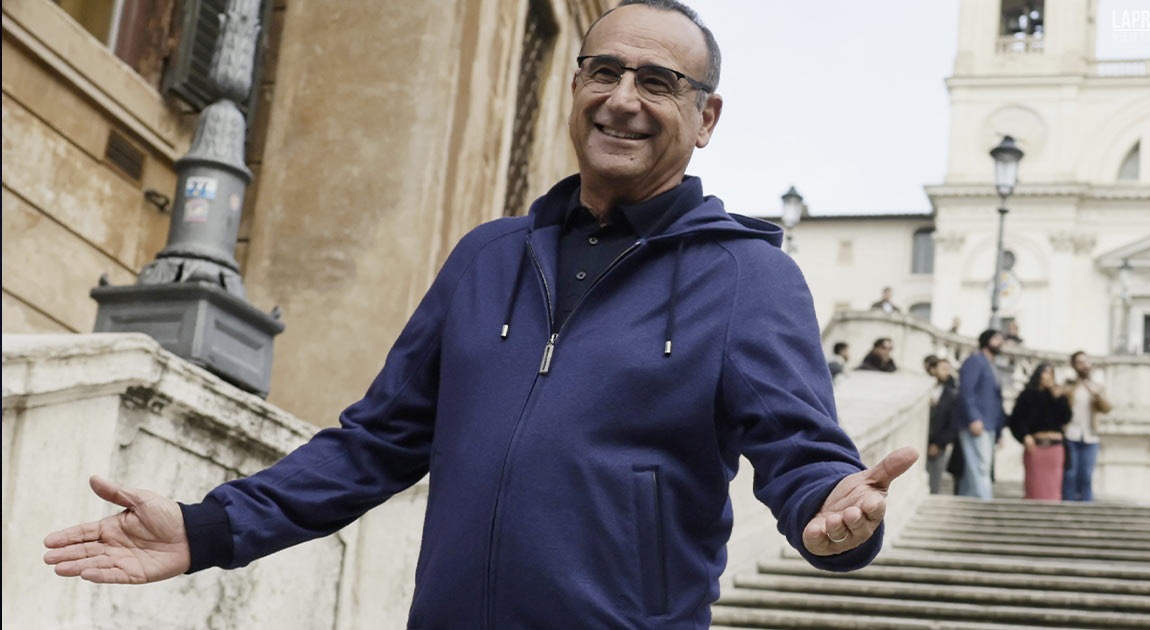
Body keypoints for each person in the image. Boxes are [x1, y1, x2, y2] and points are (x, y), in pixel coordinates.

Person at [42, 2, 918, 627]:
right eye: (604, 71)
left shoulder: (749, 277)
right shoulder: (489, 257)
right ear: (575, 87)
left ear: (705, 117)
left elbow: (805, 459)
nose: (623, 98)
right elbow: (374, 444)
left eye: (658, 81)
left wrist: (833, 516)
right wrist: (206, 528)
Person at [953, 330, 1006, 500]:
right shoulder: (975, 361)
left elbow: (997, 401)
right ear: (986, 340)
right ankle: (985, 503)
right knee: (981, 467)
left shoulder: (993, 366)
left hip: (990, 424)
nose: (1000, 342)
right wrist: (974, 417)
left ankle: (966, 502)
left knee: (976, 468)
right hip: (976, 423)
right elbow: (966, 391)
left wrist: (999, 431)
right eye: (996, 338)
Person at [1009, 363, 1071, 500]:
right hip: (1036, 446)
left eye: (1051, 373)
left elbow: (1066, 418)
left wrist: (1059, 398)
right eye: (1046, 372)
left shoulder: (1057, 396)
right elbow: (1016, 420)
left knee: (1053, 486)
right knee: (1035, 485)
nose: (1049, 377)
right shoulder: (1027, 395)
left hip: (1055, 447)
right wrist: (1024, 436)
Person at [1062, 351, 1111, 502]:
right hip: (1071, 434)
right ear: (1074, 366)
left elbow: (1107, 408)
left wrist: (1096, 394)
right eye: (1080, 362)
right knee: (1070, 475)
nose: (1084, 365)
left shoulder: (1097, 387)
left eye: (1086, 361)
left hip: (1091, 436)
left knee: (1086, 476)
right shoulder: (1069, 386)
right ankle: (1068, 506)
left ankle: (1087, 507)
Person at [925, 357, 958, 495]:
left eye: (948, 369)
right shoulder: (925, 390)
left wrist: (938, 444)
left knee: (934, 484)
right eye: (943, 368)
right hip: (920, 442)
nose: (947, 372)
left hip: (938, 446)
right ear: (933, 370)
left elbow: (952, 423)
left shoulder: (951, 395)